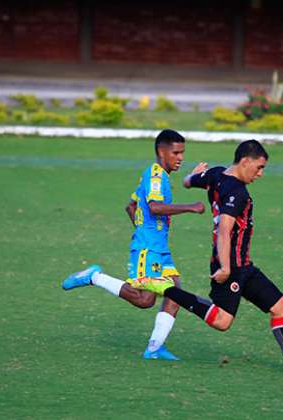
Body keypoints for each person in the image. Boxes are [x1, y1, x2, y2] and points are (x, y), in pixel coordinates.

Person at [132, 140, 283, 378]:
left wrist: (195, 175)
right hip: (230, 265)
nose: (261, 173)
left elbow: (188, 182)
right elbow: (226, 229)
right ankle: (165, 288)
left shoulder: (215, 174)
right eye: (259, 167)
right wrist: (226, 267)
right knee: (221, 321)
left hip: (244, 265)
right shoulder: (237, 192)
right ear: (245, 161)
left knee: (280, 306)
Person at [61, 129, 205, 360]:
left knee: (175, 292)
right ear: (161, 151)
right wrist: (190, 207)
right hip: (149, 249)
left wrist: (142, 230)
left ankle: (155, 348)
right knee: (144, 300)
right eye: (176, 152)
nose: (180, 157)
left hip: (158, 248)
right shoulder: (155, 176)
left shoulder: (157, 176)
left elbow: (131, 205)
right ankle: (93, 277)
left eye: (182, 152)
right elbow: (155, 207)